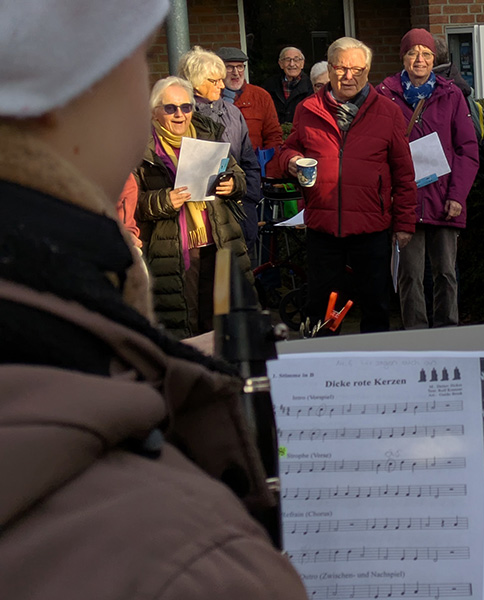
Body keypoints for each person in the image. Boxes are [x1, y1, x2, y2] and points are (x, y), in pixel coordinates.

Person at [0, 0, 306, 595]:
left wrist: (166, 365)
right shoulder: (200, 562)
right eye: (138, 59)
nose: (177, 112)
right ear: (82, 91)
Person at [270, 37, 418, 335]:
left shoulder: (388, 113)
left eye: (357, 69)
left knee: (375, 305)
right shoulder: (308, 109)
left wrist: (404, 224)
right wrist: (292, 161)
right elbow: (284, 152)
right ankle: (325, 369)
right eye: (341, 68)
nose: (349, 76)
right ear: (330, 67)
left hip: (371, 226)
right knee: (323, 309)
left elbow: (404, 173)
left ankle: (376, 370)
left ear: (368, 72)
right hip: (323, 226)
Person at [135, 76, 256, 339]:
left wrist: (231, 184)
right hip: (173, 251)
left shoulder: (207, 133)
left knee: (223, 325)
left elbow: (238, 175)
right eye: (170, 108)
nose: (180, 115)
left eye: (186, 107)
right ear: (154, 111)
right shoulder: (139, 147)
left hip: (219, 243)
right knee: (185, 325)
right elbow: (131, 203)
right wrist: (165, 201)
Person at [377, 29, 480, 330]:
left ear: (434, 58)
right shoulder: (384, 96)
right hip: (406, 202)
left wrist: (458, 196)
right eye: (412, 52)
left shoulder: (451, 95)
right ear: (403, 56)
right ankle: (416, 337)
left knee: (446, 273)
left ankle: (448, 334)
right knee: (409, 275)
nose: (419, 59)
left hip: (444, 199)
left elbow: (468, 149)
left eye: (425, 53)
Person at [179, 46, 263, 263]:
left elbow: (249, 162)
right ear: (196, 82)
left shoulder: (233, 113)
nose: (222, 85)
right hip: (199, 219)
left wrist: (248, 198)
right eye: (214, 80)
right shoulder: (181, 116)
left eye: (221, 79)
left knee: (240, 283)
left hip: (238, 212)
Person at [217, 46, 283, 151]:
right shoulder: (211, 97)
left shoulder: (261, 96)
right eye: (229, 67)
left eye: (240, 67)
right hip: (222, 164)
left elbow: (273, 136)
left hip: (254, 164)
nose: (236, 73)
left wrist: (270, 167)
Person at [263, 46, 314, 124]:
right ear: (281, 64)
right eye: (287, 60)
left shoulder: (311, 85)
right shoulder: (270, 85)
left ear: (302, 64)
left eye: (296, 60)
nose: (292, 64)